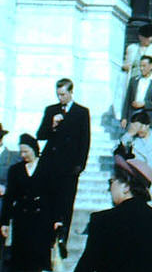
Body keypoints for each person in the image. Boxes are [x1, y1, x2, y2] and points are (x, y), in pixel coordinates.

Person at [73, 155, 152, 272]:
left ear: (126, 186)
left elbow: (84, 268)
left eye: (111, 181)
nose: (109, 188)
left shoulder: (102, 220)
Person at [35, 78, 89, 236]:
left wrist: (80, 165)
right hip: (50, 165)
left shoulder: (81, 112)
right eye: (58, 95)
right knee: (47, 201)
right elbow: (40, 135)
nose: (60, 98)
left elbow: (85, 140)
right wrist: (52, 125)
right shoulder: (51, 110)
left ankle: (61, 239)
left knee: (65, 204)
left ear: (71, 92)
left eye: (63, 94)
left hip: (69, 168)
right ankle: (46, 237)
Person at [0, 134, 55, 272]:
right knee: (20, 257)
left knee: (38, 256)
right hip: (22, 218)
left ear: (34, 150)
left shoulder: (48, 167)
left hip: (41, 218)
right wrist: (5, 222)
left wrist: (57, 219)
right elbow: (9, 197)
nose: (23, 155)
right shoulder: (15, 170)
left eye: (26, 151)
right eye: (21, 152)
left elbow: (54, 195)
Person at [116, 112, 152, 213]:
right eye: (136, 127)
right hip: (137, 185)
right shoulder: (131, 140)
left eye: (141, 126)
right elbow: (117, 152)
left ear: (147, 125)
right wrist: (129, 134)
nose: (139, 130)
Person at [122, 55, 152, 129]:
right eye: (140, 66)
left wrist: (145, 104)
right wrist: (124, 118)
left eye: (144, 66)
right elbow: (127, 100)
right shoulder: (134, 80)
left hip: (148, 118)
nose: (141, 68)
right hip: (133, 116)